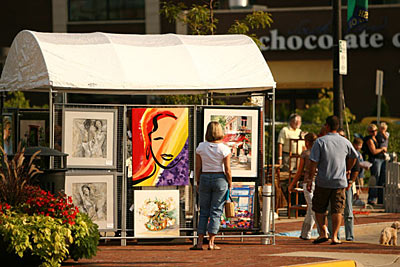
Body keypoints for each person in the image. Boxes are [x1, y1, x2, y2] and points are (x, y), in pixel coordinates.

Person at [307, 115, 357, 245]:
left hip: (323, 180)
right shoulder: (345, 141)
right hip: (339, 181)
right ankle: (335, 236)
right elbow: (354, 156)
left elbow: (313, 163)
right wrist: (348, 169)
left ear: (327, 126)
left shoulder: (320, 142)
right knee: (337, 209)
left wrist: (309, 179)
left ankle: (323, 232)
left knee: (319, 207)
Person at [191, 121, 232, 250]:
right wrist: (230, 183)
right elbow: (227, 169)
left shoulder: (201, 147)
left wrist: (198, 181)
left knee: (203, 211)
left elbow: (198, 167)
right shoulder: (224, 148)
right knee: (216, 211)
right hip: (220, 178)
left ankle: (199, 243)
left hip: (204, 177)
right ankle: (211, 242)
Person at [288, 132, 320, 240]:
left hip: (308, 182)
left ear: (307, 142)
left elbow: (299, 171)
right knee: (311, 209)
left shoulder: (305, 154)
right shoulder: (320, 153)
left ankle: (321, 231)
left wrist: (292, 184)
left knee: (312, 208)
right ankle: (305, 233)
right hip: (319, 182)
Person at [365, 124, 387, 205]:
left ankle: (381, 199)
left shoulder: (377, 137)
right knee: (375, 179)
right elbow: (373, 151)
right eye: (372, 131)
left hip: (382, 159)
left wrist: (383, 131)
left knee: (382, 180)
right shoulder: (369, 139)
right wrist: (382, 149)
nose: (374, 132)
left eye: (375, 130)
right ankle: (372, 198)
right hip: (375, 160)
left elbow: (386, 138)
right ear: (369, 132)